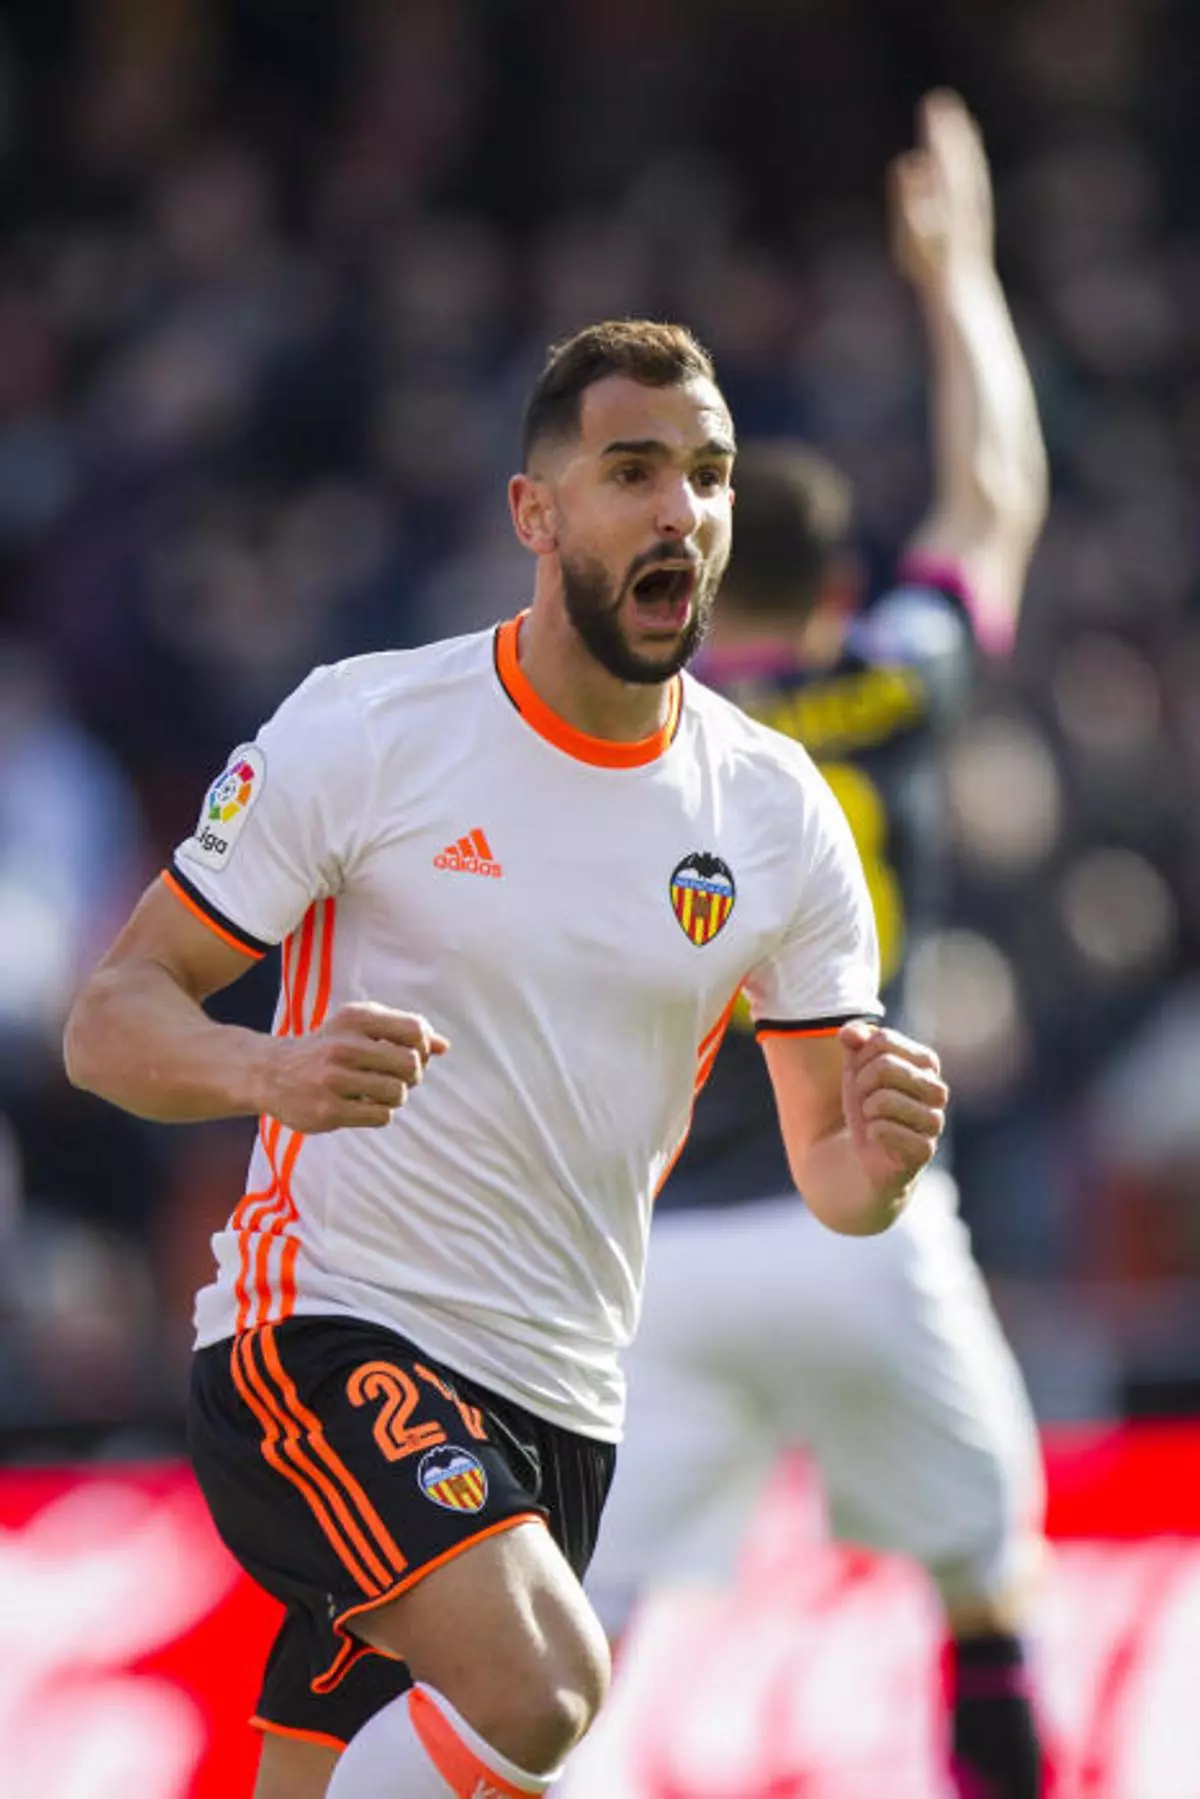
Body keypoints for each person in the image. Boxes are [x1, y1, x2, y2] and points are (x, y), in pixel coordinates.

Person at [63, 316, 949, 1799]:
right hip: (326, 1338)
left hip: (561, 1408)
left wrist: (886, 1153)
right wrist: (269, 1071)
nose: (681, 510)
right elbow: (110, 1020)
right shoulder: (370, 727)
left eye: (710, 475)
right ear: (535, 513)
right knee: (547, 1686)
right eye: (634, 470)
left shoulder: (777, 810)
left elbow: (837, 1180)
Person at [583, 94, 1052, 1799]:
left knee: (570, 1648)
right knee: (987, 1582)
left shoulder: (637, 730)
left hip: (663, 1259)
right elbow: (995, 496)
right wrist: (961, 275)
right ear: (842, 583)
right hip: (866, 1222)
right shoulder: (892, 679)